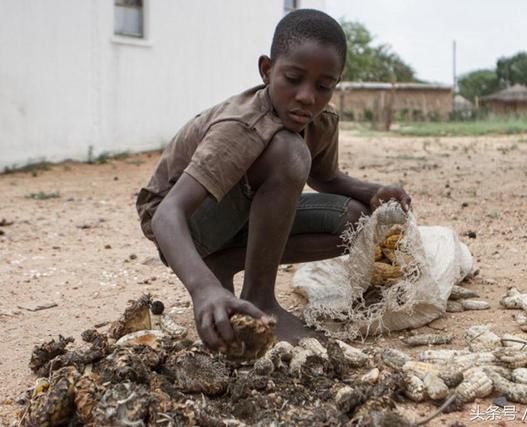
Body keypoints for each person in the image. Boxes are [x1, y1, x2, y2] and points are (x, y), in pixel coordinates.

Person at [136, 9, 411, 352]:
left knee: (355, 220)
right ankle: (260, 297)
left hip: (234, 214)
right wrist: (202, 288)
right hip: (185, 224)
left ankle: (224, 261)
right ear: (267, 70)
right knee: (288, 152)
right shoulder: (241, 126)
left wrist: (374, 192)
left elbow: (325, 178)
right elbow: (167, 214)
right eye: (293, 78)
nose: (307, 97)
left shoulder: (321, 120)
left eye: (323, 86)